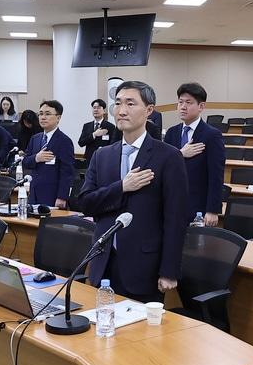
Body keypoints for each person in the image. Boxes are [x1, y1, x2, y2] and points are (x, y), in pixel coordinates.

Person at [77, 80, 189, 304]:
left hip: (144, 266)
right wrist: (121, 187)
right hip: (104, 262)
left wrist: (169, 270)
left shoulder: (168, 156)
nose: (122, 110)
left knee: (140, 337)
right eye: (118, 103)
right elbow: (86, 203)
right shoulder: (102, 155)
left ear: (149, 110)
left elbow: (176, 218)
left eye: (130, 103)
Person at [164, 82, 225, 226]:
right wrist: (180, 154)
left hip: (197, 205)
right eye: (180, 102)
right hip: (171, 202)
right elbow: (163, 165)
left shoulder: (212, 135)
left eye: (188, 102)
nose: (183, 107)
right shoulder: (171, 133)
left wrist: (212, 210)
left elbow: (216, 175)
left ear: (201, 106)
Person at [20, 100, 75, 209]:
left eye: (48, 114)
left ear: (58, 118)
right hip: (34, 194)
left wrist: (62, 197)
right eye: (40, 114)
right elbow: (25, 162)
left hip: (52, 196)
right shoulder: (35, 138)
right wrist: (36, 158)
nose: (43, 117)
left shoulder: (64, 141)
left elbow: (67, 172)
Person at [78, 98, 119, 165]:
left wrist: (103, 149)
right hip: (89, 160)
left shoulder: (110, 126)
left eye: (99, 107)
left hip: (104, 159)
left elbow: (113, 145)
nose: (96, 110)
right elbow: (81, 143)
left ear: (104, 110)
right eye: (94, 108)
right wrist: (94, 134)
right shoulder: (87, 126)